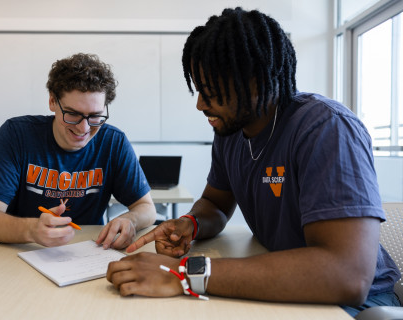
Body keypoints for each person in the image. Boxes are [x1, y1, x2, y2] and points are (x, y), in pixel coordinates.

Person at [106, 8, 401, 316]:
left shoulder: (326, 128)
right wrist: (190, 223)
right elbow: (215, 204)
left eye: (211, 92)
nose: (200, 104)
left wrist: (184, 273)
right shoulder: (230, 131)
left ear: (256, 83)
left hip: (355, 305)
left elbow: (347, 275)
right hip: (288, 290)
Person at [0, 53, 156, 249]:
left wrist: (131, 220)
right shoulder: (16, 135)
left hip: (89, 252)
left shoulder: (113, 142)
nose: (84, 128)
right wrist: (31, 229)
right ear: (52, 101)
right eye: (72, 114)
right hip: (23, 249)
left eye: (95, 116)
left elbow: (146, 208)